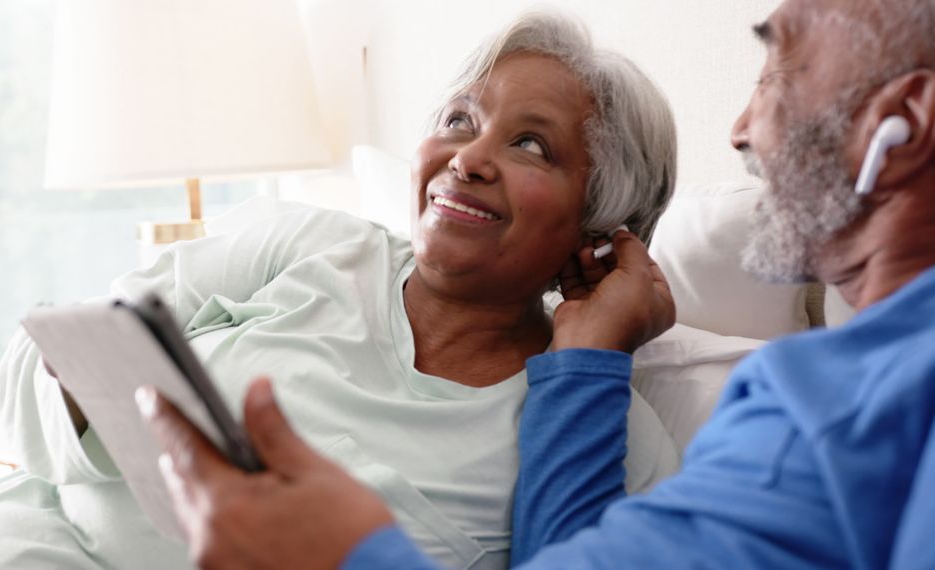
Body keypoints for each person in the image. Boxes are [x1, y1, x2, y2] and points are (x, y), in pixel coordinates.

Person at [139, 0, 935, 568]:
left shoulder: (837, 409)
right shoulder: (811, 396)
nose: (739, 129)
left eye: (782, 67)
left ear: (904, 123)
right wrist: (586, 354)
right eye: (458, 120)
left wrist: (345, 551)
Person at [0, 11, 681, 570]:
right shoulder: (302, 244)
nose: (468, 158)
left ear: (600, 226)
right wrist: (84, 390)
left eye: (528, 144)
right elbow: (36, 362)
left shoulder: (605, 434)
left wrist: (590, 355)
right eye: (459, 118)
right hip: (15, 538)